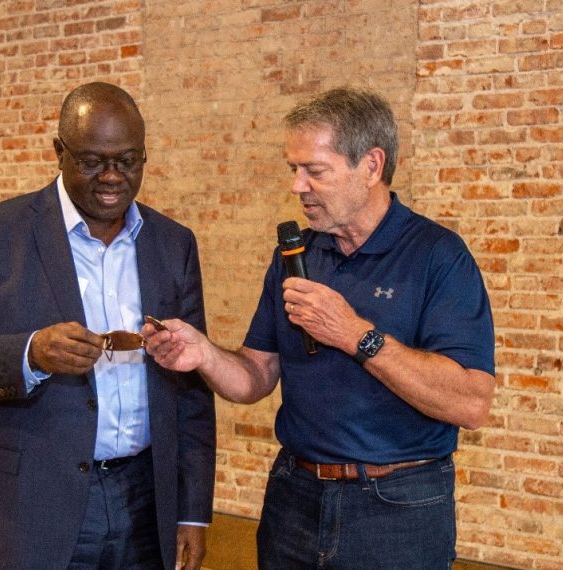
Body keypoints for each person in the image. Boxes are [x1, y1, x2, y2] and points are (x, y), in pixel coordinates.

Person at [143, 87, 495, 569]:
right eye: (294, 170)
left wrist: (355, 335)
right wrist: (203, 353)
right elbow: (255, 377)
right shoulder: (296, 255)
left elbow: (471, 402)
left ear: (371, 166)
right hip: (294, 498)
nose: (298, 186)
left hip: (398, 508)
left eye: (315, 170)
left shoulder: (438, 256)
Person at [0, 82, 215, 570]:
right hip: (34, 502)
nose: (111, 177)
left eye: (128, 161)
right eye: (92, 161)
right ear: (59, 152)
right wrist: (30, 353)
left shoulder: (173, 243)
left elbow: (192, 388)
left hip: (148, 501)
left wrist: (192, 511)